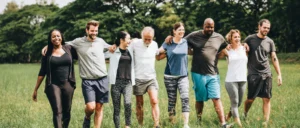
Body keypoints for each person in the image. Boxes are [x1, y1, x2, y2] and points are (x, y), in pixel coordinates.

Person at [42, 20, 112, 128]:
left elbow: (111, 48)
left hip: (103, 78)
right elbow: (61, 43)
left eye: (96, 31)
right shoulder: (78, 42)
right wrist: (48, 46)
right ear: (87, 30)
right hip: (88, 80)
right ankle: (87, 118)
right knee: (91, 107)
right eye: (92, 31)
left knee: (99, 107)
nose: (94, 33)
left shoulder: (100, 41)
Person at [110, 27, 160, 127]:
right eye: (145, 38)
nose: (147, 41)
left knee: (154, 100)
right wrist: (114, 45)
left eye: (149, 39)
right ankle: (140, 124)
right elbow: (122, 45)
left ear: (153, 37)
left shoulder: (155, 45)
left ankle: (156, 124)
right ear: (141, 36)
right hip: (138, 78)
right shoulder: (134, 43)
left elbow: (160, 54)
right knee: (139, 104)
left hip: (151, 78)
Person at [33, 29, 77, 128]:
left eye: (58, 36)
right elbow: (42, 71)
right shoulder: (47, 52)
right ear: (50, 39)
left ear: (61, 37)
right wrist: (36, 89)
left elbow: (83, 54)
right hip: (53, 84)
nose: (56, 38)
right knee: (57, 111)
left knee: (67, 111)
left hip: (68, 84)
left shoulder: (69, 49)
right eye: (53, 36)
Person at [243, 19, 282, 126]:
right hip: (253, 74)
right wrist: (244, 45)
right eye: (264, 27)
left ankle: (266, 121)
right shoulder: (250, 39)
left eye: (268, 28)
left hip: (267, 73)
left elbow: (274, 57)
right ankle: (245, 113)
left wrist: (279, 74)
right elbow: (241, 49)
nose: (266, 30)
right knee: (250, 99)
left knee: (267, 98)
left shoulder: (270, 41)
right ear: (259, 26)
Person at [156, 22, 190, 128]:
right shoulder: (168, 43)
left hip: (183, 75)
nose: (182, 31)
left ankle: (186, 124)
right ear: (174, 31)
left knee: (185, 98)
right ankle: (172, 123)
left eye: (183, 29)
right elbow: (157, 52)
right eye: (179, 29)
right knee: (172, 100)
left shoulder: (186, 42)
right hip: (169, 76)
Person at [218, 29, 248, 127]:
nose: (237, 38)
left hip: (243, 79)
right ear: (230, 39)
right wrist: (224, 46)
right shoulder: (227, 50)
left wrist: (246, 44)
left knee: (238, 103)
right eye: (235, 37)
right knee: (234, 102)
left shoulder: (244, 48)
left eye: (238, 37)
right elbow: (216, 54)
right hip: (231, 80)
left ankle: (228, 117)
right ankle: (238, 124)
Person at [107, 31, 135, 128]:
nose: (129, 40)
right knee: (117, 108)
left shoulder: (131, 50)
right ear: (121, 40)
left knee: (128, 103)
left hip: (128, 82)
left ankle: (127, 125)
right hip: (116, 83)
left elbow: (139, 41)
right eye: (128, 39)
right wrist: (111, 47)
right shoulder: (113, 51)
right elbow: (101, 55)